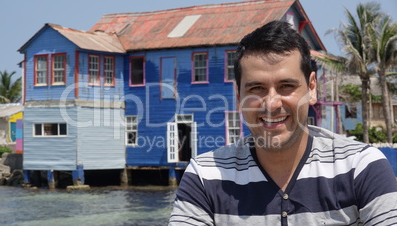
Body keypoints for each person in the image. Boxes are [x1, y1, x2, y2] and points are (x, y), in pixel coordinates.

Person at [169, 20, 397, 225]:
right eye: (256, 88)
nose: (271, 104)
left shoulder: (359, 167)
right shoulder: (206, 176)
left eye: (286, 86)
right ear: (238, 96)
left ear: (311, 88)